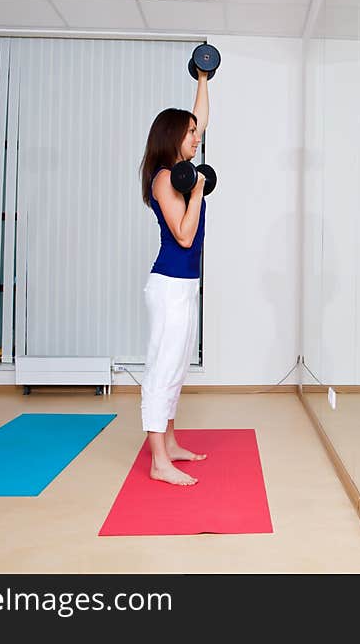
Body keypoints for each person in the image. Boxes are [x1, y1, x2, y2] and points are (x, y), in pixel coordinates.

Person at [136, 66, 210, 486]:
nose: (196, 139)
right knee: (162, 369)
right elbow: (183, 235)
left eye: (195, 134)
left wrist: (203, 78)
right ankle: (158, 461)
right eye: (189, 134)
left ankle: (171, 442)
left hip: (184, 285)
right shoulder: (167, 179)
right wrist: (199, 191)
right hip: (168, 285)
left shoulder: (181, 172)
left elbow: (202, 120)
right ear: (171, 138)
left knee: (178, 366)